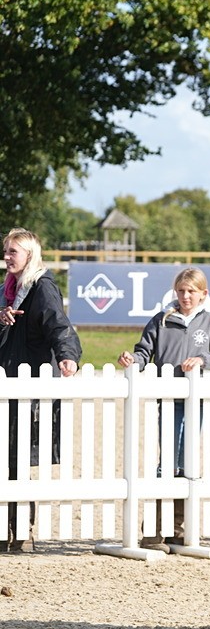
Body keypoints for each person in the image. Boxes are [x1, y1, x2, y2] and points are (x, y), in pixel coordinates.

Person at [118, 268, 210, 549]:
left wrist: (202, 360)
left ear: (203, 294)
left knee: (187, 462)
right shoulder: (161, 321)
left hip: (193, 402)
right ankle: (154, 531)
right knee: (167, 462)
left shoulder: (209, 322)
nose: (186, 296)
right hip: (167, 400)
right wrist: (132, 359)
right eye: (181, 291)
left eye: (191, 292)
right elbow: (143, 352)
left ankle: (177, 529)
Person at [1, 228, 82, 552]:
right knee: (5, 459)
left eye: (13, 252)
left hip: (27, 386)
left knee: (17, 461)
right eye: (6, 251)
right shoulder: (8, 290)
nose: (7, 256)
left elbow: (59, 325)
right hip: (7, 380)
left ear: (30, 256)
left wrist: (67, 356)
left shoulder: (42, 288)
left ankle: (22, 532)